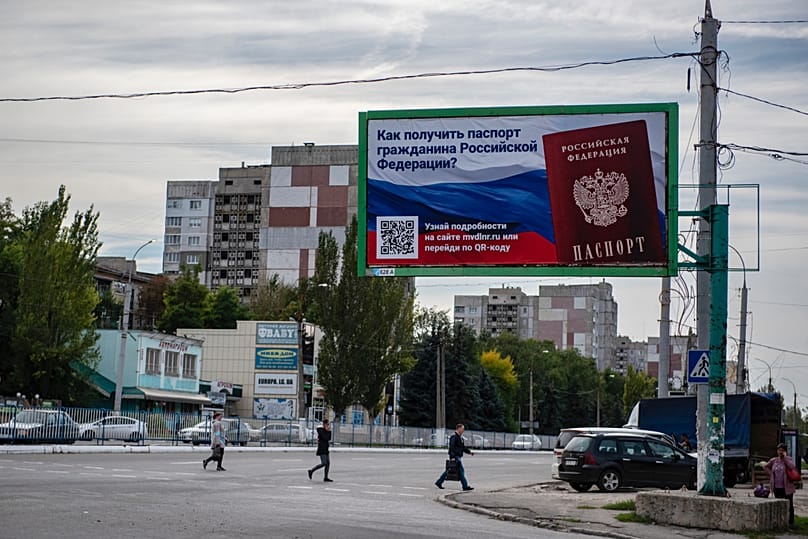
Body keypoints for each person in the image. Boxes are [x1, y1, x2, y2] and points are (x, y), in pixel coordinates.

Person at [765, 442, 797, 527]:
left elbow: (792, 467)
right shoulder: (774, 460)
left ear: (785, 451)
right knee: (778, 505)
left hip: (787, 487)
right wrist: (771, 474)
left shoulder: (788, 459)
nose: (780, 452)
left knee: (789, 505)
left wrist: (785, 458)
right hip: (777, 487)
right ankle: (779, 522)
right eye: (779, 450)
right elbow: (766, 467)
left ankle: (791, 522)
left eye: (782, 450)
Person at [435, 423, 474, 491]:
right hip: (455, 457)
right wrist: (452, 456)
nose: (463, 430)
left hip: (458, 456)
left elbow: (462, 448)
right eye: (462, 429)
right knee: (460, 471)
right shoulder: (454, 437)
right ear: (458, 429)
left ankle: (439, 482)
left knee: (449, 470)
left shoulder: (460, 438)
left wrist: (469, 452)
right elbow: (451, 447)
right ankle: (465, 486)